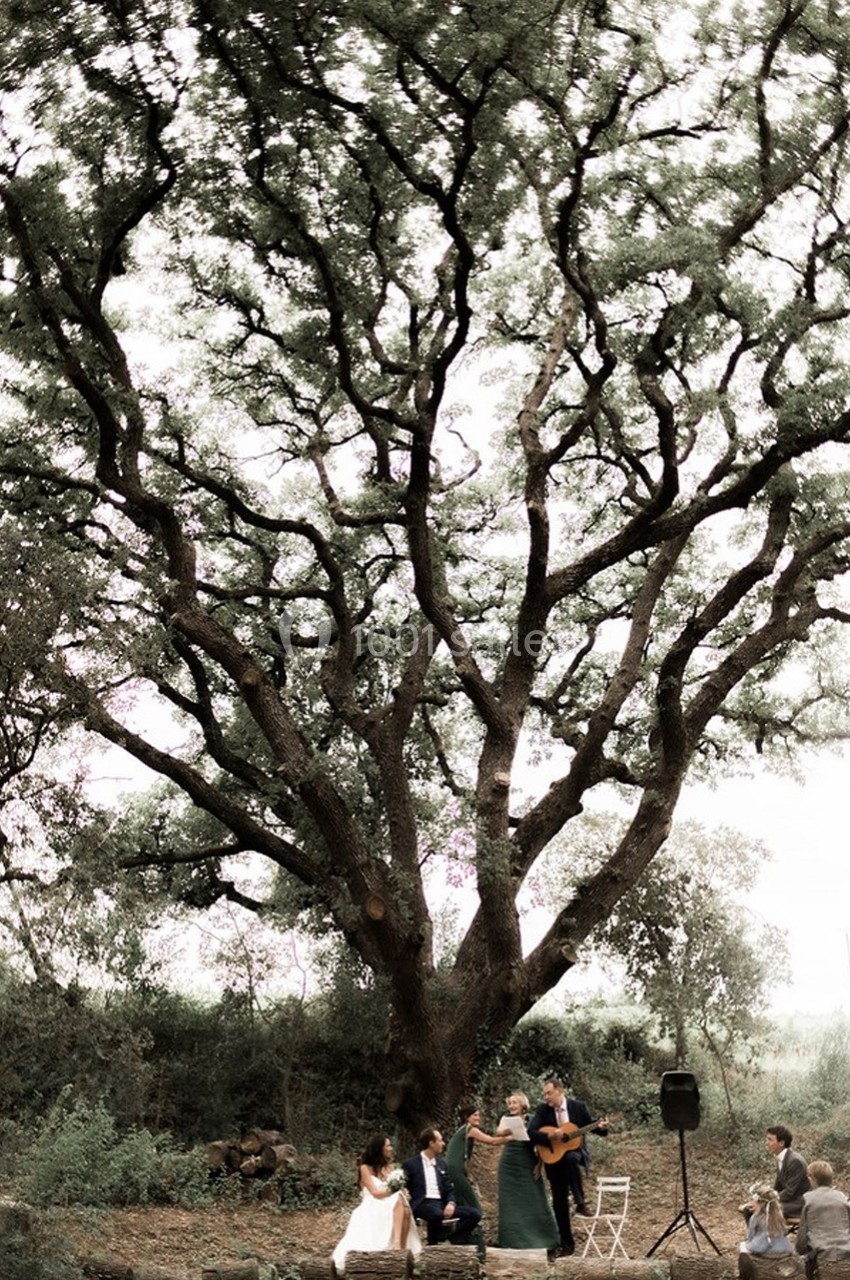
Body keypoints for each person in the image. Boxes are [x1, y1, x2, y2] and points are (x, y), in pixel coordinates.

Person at [528, 1075, 609, 1257]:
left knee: (571, 1157)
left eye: (549, 1093)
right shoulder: (543, 1111)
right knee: (559, 1203)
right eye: (545, 1094)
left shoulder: (577, 1107)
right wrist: (549, 1137)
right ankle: (567, 1245)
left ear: (559, 1091)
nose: (546, 1097)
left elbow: (592, 1126)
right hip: (553, 1161)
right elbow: (531, 1132)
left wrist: (601, 1127)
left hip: (574, 1156)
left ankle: (580, 1201)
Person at [331, 1133, 421, 1273]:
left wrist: (403, 1191)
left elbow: (398, 1188)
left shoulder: (388, 1167)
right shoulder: (365, 1168)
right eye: (388, 1145)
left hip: (390, 1201)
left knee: (404, 1205)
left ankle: (402, 1248)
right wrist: (394, 1190)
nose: (391, 1148)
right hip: (374, 1203)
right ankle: (397, 1245)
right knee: (398, 1200)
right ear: (380, 1149)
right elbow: (375, 1193)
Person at [496, 1091, 559, 1252]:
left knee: (535, 1200)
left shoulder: (533, 1120)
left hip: (527, 1162)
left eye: (514, 1103)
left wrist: (539, 1165)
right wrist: (511, 1130)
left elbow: (541, 1144)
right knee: (510, 1204)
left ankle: (543, 1241)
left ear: (523, 1105)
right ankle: (512, 1241)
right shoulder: (506, 1119)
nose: (511, 1106)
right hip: (508, 1165)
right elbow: (498, 1133)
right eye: (509, 1103)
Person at [402, 1126, 483, 1246]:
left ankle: (451, 1239)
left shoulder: (441, 1164)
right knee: (436, 1214)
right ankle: (433, 1245)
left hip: (442, 1204)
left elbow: (449, 1187)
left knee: (475, 1214)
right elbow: (402, 1185)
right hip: (422, 1203)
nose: (443, 1143)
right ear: (431, 1143)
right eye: (440, 1140)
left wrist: (451, 1203)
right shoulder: (411, 1164)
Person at [444, 1103, 510, 1248]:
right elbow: (492, 1141)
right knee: (475, 1208)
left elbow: (464, 1158)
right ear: (467, 1118)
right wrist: (513, 1137)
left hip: (455, 1171)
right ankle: (456, 1238)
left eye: (479, 1115)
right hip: (455, 1172)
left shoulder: (463, 1131)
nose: (478, 1117)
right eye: (475, 1115)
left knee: (464, 1206)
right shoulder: (470, 1129)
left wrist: (469, 1175)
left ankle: (465, 1241)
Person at [795, 1161, 850, 1277]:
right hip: (847, 1256)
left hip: (822, 1259)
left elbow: (802, 1238)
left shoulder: (808, 1199)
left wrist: (799, 1251)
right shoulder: (843, 1198)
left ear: (813, 1179)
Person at [766, 1126, 812, 1219]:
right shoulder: (781, 1158)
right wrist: (764, 1197)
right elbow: (778, 1186)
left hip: (799, 1204)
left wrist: (770, 1201)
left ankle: (773, 1233)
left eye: (770, 1140)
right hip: (789, 1201)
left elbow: (790, 1192)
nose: (766, 1143)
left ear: (781, 1143)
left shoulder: (795, 1161)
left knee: (766, 1209)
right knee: (751, 1209)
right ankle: (760, 1234)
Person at [739, 1183, 793, 1256]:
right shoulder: (779, 1216)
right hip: (784, 1251)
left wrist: (747, 1246)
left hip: (768, 1253)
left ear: (759, 1203)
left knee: (743, 1249)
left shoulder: (756, 1218)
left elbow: (753, 1241)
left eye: (752, 1200)